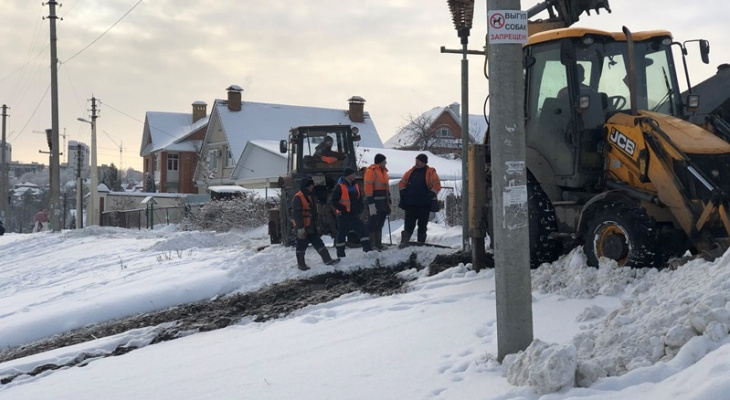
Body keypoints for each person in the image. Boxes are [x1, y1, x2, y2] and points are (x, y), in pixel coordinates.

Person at [291, 177, 340, 270]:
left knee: (319, 243)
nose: (313, 187)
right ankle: (301, 264)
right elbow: (297, 214)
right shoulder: (298, 197)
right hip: (303, 228)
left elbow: (313, 213)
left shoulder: (310, 196)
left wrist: (316, 226)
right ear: (306, 186)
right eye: (311, 185)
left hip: (311, 227)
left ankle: (328, 260)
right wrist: (300, 228)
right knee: (301, 245)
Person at [398, 154, 441, 248]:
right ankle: (404, 242)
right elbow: (402, 183)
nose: (416, 163)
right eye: (416, 160)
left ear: (424, 162)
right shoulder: (410, 172)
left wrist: (430, 195)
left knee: (422, 225)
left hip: (424, 205)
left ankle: (420, 243)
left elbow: (437, 185)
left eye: (418, 161)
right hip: (410, 204)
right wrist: (403, 193)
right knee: (408, 224)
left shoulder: (430, 172)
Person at [331, 167, 371, 257]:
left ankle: (368, 250)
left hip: (353, 214)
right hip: (343, 215)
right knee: (341, 234)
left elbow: (359, 198)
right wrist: (343, 209)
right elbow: (334, 201)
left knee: (363, 231)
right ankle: (340, 254)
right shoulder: (339, 186)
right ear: (348, 176)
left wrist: (360, 208)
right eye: (352, 174)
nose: (354, 175)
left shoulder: (355, 185)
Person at [364, 153, 391, 250]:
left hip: (383, 203)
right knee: (373, 223)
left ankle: (378, 244)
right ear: (381, 161)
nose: (386, 162)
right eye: (384, 161)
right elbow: (368, 188)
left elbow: (386, 189)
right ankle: (372, 244)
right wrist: (371, 203)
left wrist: (389, 201)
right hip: (375, 203)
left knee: (380, 223)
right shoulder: (371, 171)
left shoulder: (383, 172)